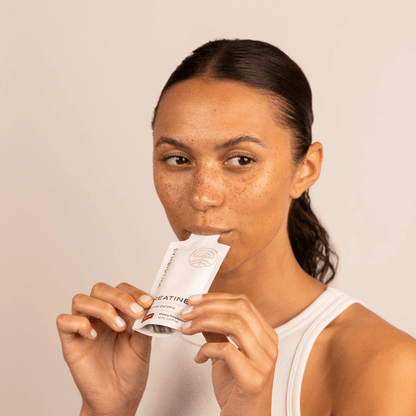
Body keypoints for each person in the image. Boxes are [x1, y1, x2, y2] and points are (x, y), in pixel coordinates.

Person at [56, 39, 416, 416]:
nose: (202, 196)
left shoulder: (382, 364)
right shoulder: (125, 344)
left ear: (305, 170)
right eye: (177, 159)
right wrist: (107, 409)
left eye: (241, 159)